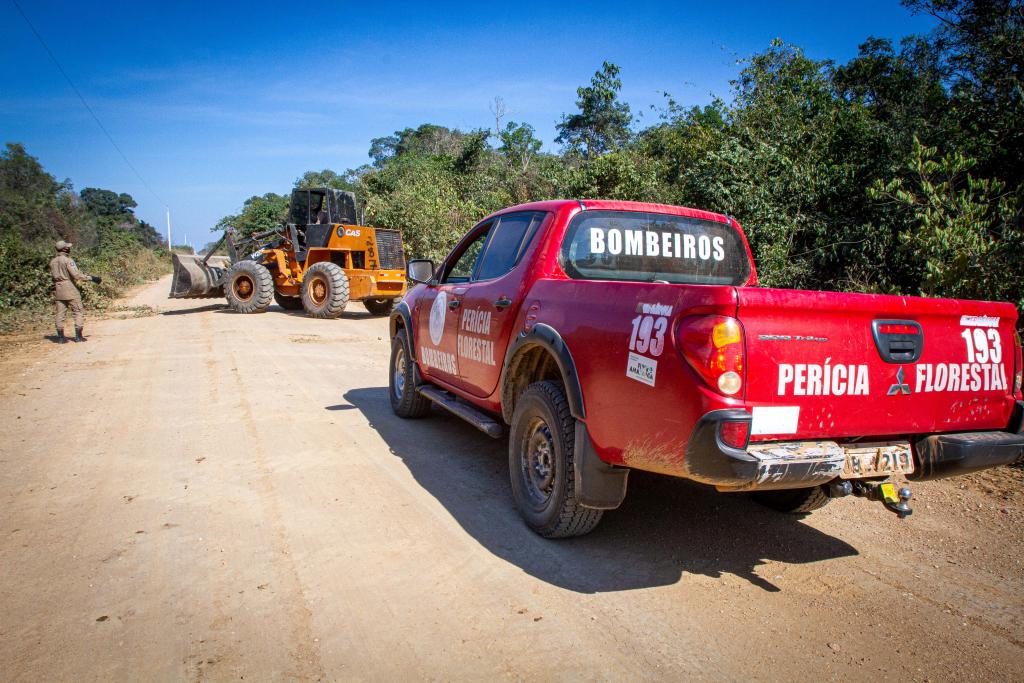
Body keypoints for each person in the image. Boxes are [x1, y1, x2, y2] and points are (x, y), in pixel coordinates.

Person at [49, 240, 101, 343]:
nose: (69, 248)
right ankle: (78, 336)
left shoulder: (53, 262)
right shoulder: (68, 260)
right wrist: (92, 278)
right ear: (65, 249)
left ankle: (60, 338)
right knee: (78, 311)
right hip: (70, 288)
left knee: (60, 314)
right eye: (68, 247)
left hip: (58, 289)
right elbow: (76, 275)